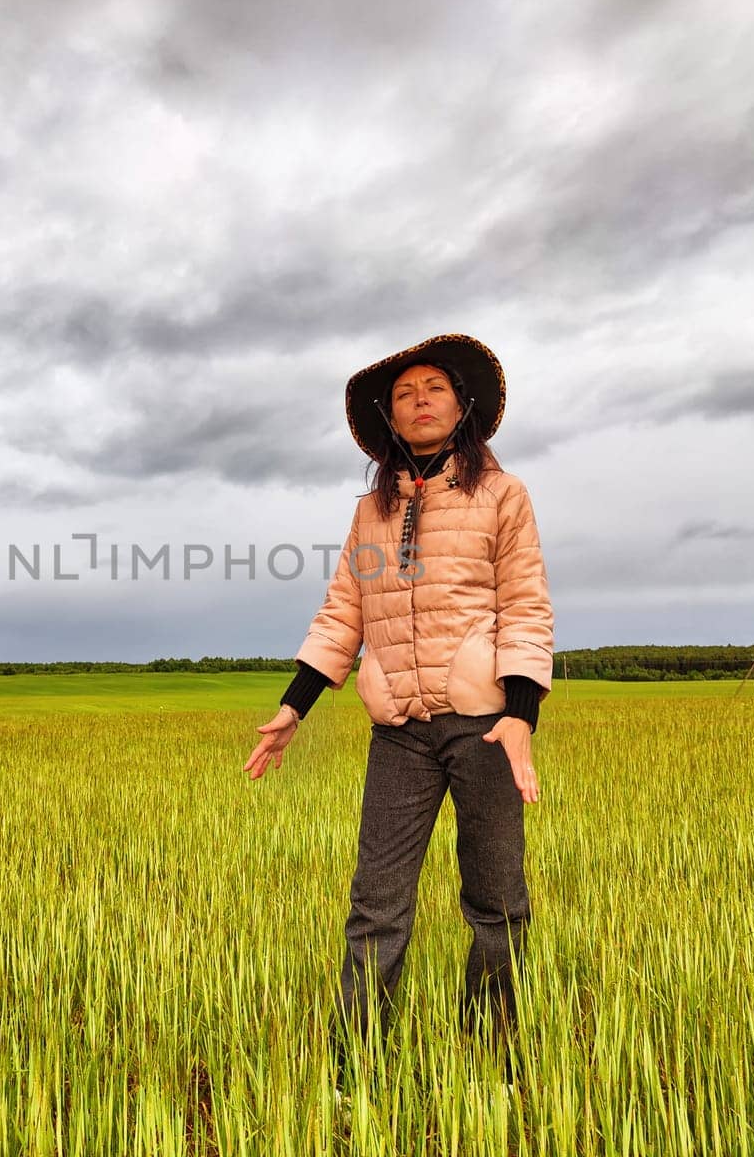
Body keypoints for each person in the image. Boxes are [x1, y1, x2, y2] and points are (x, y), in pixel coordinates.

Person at [243, 333, 554, 1072]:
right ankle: (355, 1068)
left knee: (495, 899)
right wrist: (294, 707)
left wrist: (520, 714)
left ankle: (492, 1058)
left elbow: (526, 606)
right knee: (375, 903)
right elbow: (341, 614)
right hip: (400, 734)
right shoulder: (371, 512)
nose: (419, 401)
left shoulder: (503, 496)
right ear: (388, 417)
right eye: (405, 394)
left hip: (484, 728)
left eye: (434, 389)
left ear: (463, 406)